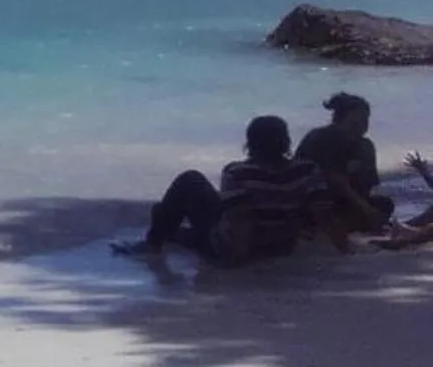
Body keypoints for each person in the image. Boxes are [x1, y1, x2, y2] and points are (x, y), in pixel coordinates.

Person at [115, 115, 342, 263]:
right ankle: (171, 230)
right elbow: (325, 215)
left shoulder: (239, 172)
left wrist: (234, 259)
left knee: (190, 179)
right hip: (281, 245)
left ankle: (153, 244)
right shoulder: (306, 170)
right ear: (286, 141)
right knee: (182, 227)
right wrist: (345, 248)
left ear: (250, 143)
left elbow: (240, 221)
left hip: (242, 246)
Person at [295, 92, 391, 231]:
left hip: (348, 205)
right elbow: (335, 179)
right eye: (360, 118)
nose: (364, 124)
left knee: (384, 204)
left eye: (366, 119)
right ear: (342, 117)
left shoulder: (365, 146)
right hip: (318, 202)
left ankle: (351, 225)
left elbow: (368, 185)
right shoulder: (324, 137)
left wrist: (366, 207)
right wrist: (366, 208)